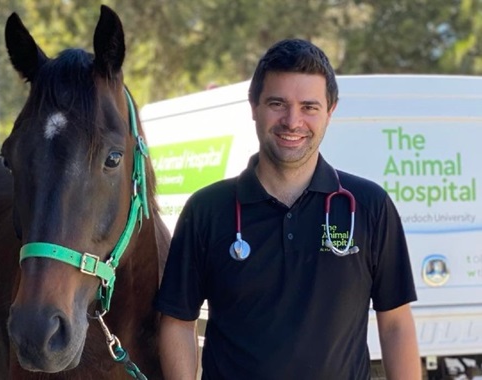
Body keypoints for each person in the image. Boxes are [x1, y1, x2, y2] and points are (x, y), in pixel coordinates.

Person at [155, 39, 421, 379]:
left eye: (309, 107)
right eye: (277, 103)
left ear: (330, 110)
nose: (292, 121)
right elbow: (177, 321)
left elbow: (396, 323)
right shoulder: (207, 210)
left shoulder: (369, 206)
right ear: (253, 106)